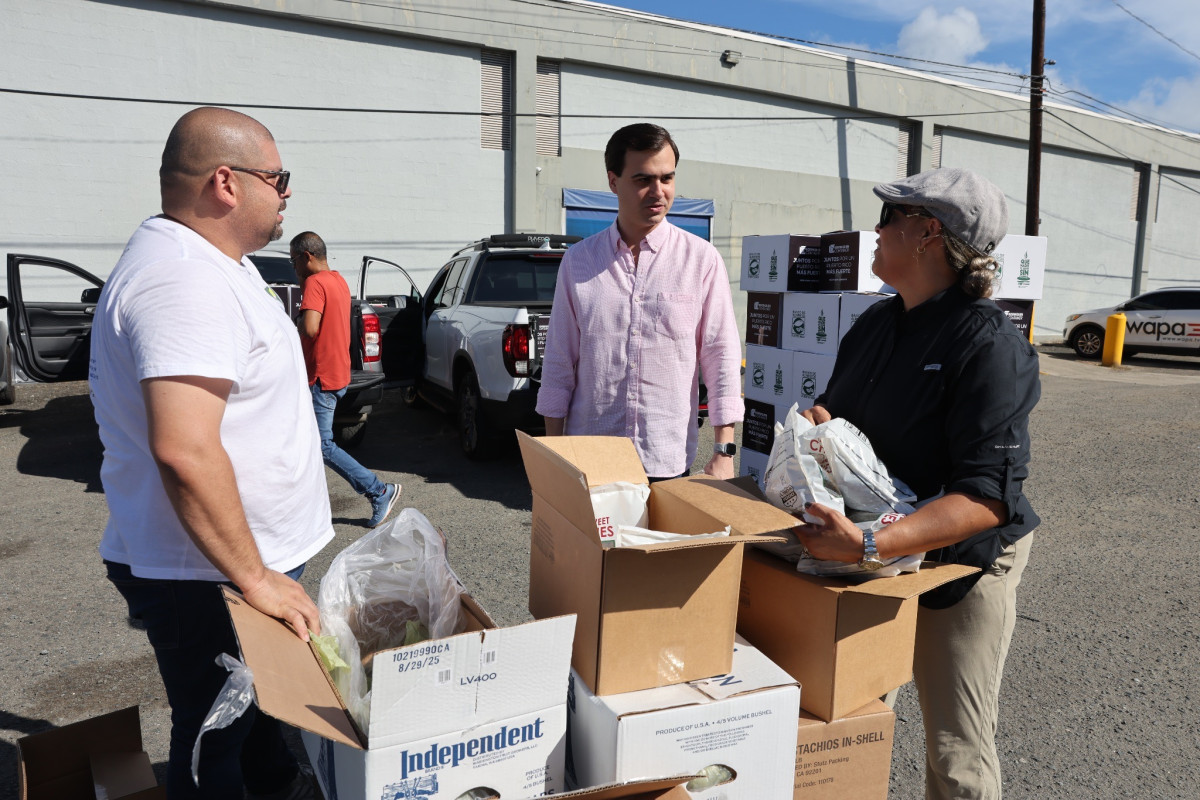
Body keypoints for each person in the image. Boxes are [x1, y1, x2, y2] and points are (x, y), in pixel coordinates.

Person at [91, 107, 330, 799]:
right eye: (277, 176)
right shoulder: (183, 283)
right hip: (210, 572)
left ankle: (274, 781)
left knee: (251, 714)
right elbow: (185, 450)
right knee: (212, 735)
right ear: (226, 183)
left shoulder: (213, 264)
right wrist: (255, 578)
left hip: (230, 562)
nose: (286, 192)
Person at [794, 167, 1040, 800]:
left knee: (956, 753)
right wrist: (822, 430)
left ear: (929, 234)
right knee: (851, 711)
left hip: (959, 564)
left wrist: (873, 547)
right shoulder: (876, 324)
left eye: (890, 218)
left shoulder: (989, 346)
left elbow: (988, 495)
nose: (874, 231)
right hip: (873, 546)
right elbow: (839, 412)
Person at [536, 123, 743, 480]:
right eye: (643, 179)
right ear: (613, 181)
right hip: (591, 459)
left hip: (666, 457)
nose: (658, 192)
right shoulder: (579, 262)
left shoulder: (701, 260)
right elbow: (558, 362)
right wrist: (555, 454)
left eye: (667, 178)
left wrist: (724, 451)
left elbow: (720, 355)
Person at [290, 231, 400, 527]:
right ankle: (304, 506)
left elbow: (311, 328)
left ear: (306, 257)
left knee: (322, 445)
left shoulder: (313, 282)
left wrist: (292, 321)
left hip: (320, 378)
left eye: (293, 261)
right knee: (305, 443)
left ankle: (379, 491)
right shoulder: (338, 280)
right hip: (337, 373)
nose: (294, 268)